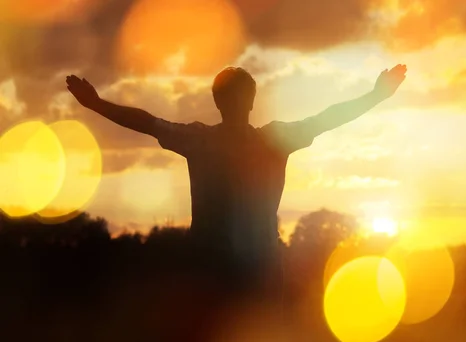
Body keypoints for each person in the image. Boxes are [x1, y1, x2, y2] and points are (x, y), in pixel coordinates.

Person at [66, 64, 407, 298]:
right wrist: (375, 96)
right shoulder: (274, 140)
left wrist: (97, 105)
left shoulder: (198, 140)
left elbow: (147, 122)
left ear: (218, 102)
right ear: (252, 101)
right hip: (259, 266)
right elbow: (327, 118)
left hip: (210, 266)